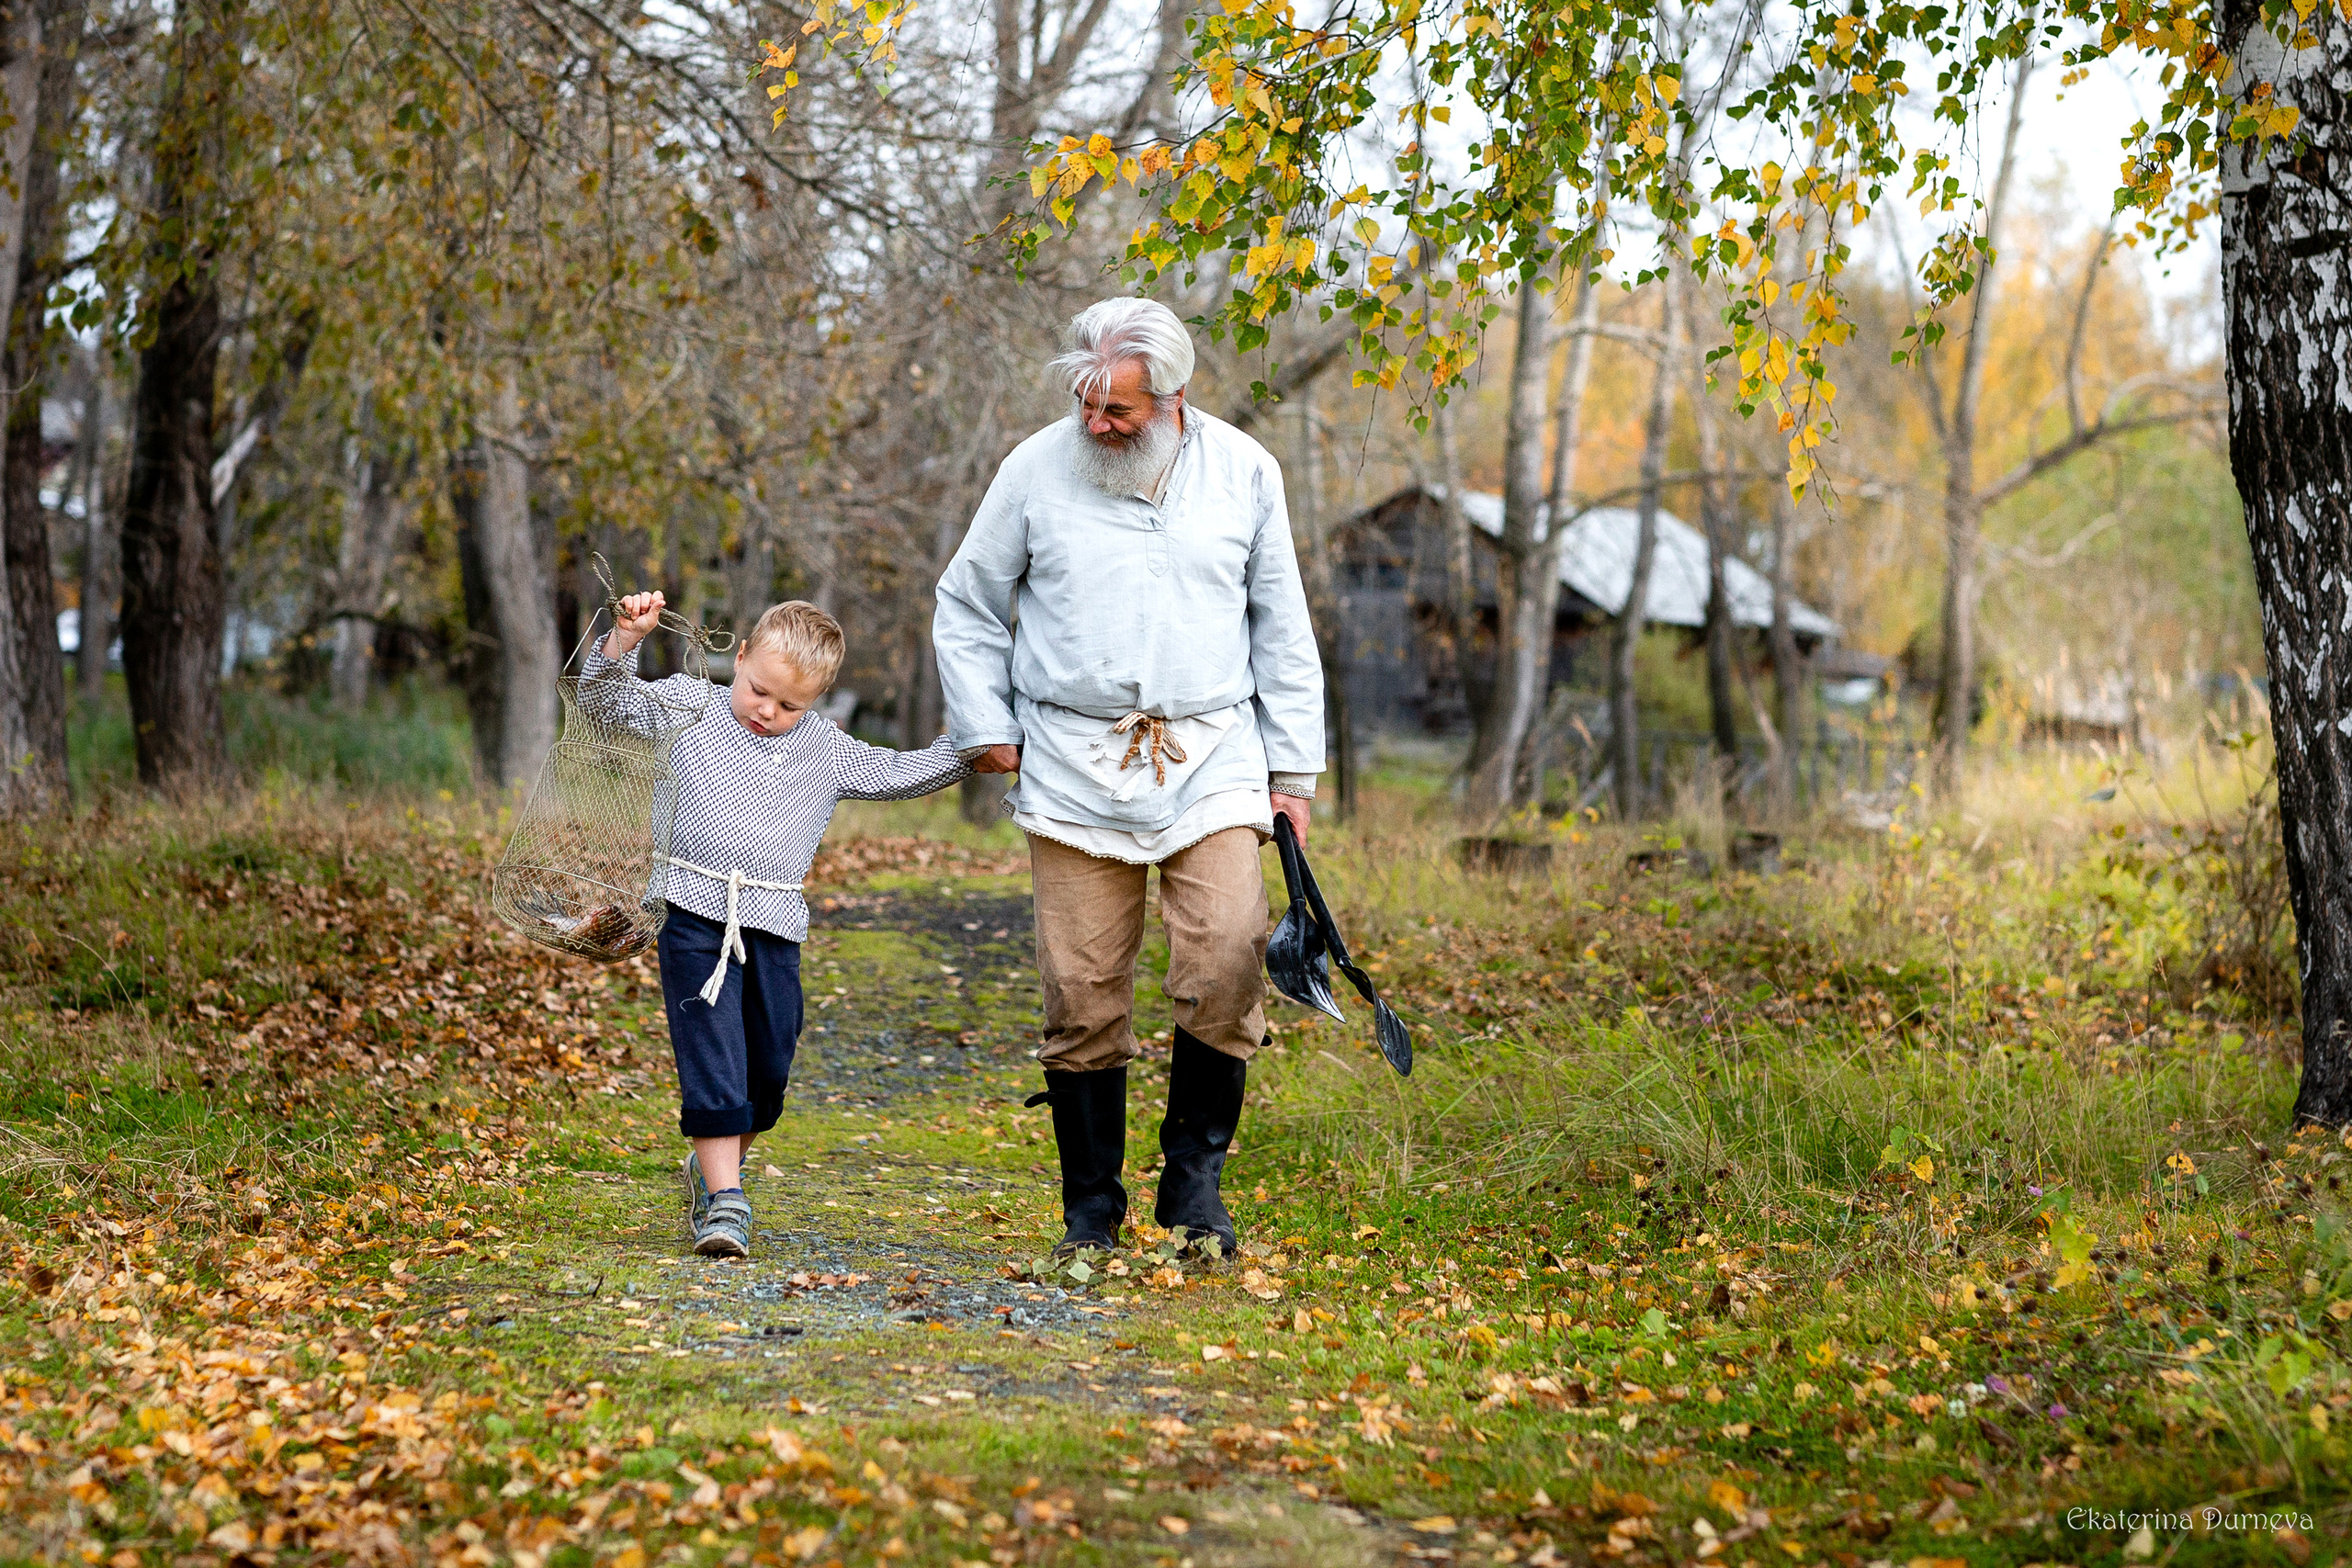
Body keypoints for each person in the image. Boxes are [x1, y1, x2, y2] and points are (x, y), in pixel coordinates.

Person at [934, 296, 1325, 1258]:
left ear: (1176, 396)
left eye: (1120, 411)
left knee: (1230, 956)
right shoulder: (1034, 467)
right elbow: (968, 603)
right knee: (1080, 985)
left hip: (1213, 755)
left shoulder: (1244, 472)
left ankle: (1193, 1193)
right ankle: (1090, 1214)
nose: (1099, 425)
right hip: (1073, 760)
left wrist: (1293, 772)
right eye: (1088, 407)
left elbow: (1281, 624)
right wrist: (986, 725)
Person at [582, 592, 969, 1258]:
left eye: (790, 705)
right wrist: (623, 642)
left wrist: (971, 751)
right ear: (739, 659)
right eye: (760, 691)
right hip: (693, 910)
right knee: (713, 1052)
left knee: (769, 1063)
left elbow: (898, 772)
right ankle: (727, 1200)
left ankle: (716, 1170)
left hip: (774, 920)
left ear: (815, 702)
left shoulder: (825, 748)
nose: (768, 712)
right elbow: (605, 704)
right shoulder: (691, 704)